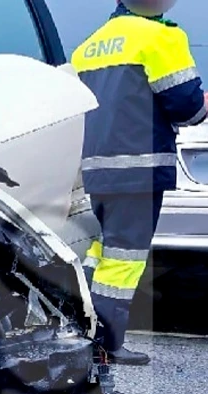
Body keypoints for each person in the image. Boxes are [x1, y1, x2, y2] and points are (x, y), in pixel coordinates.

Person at [71, 0, 208, 366]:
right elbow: (188, 108)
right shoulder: (161, 37)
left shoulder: (90, 45)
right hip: (140, 170)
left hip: (98, 170)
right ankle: (106, 345)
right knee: (124, 260)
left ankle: (73, 331)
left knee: (102, 252)